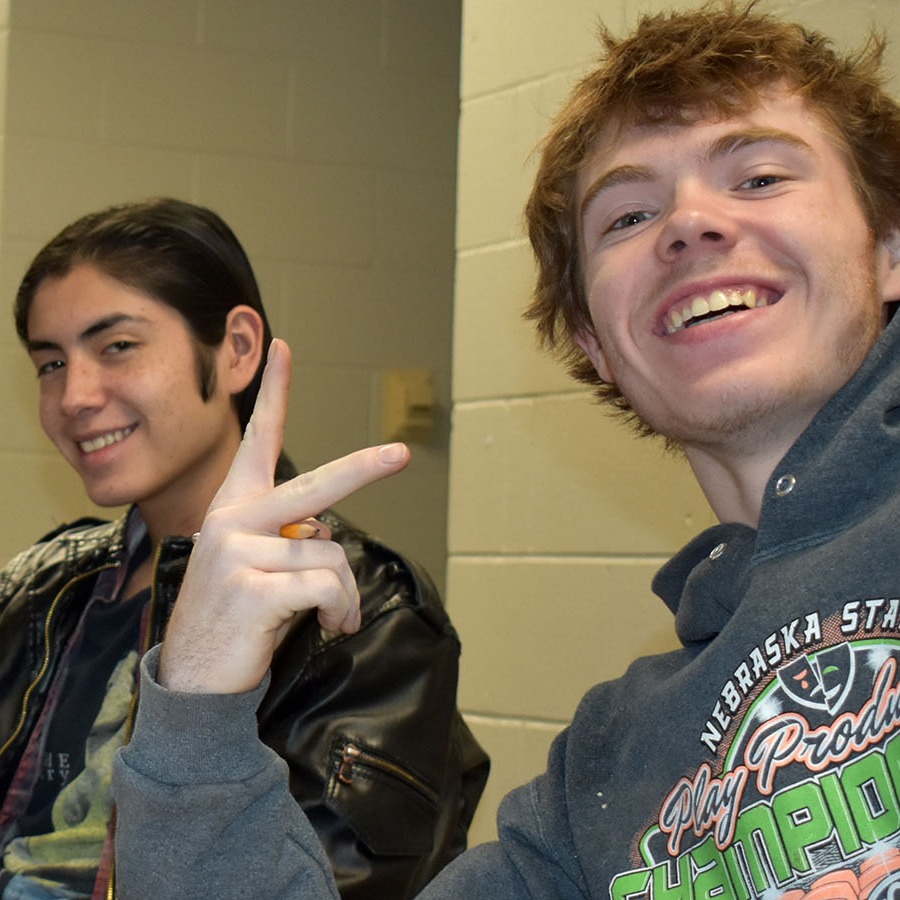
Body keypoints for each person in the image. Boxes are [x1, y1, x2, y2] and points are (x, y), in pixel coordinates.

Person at [113, 1, 900, 897]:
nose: (690, 224)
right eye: (629, 216)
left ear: (888, 247)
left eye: (758, 177)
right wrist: (200, 709)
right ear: (593, 340)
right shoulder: (601, 780)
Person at [0, 198, 488, 900]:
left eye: (117, 347)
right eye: (50, 362)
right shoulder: (42, 589)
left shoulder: (360, 612)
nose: (75, 394)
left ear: (236, 349)